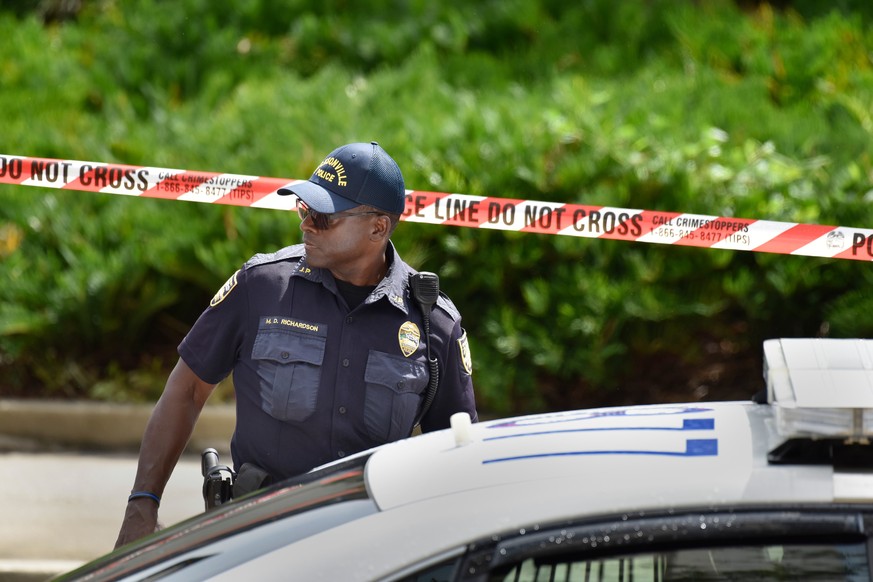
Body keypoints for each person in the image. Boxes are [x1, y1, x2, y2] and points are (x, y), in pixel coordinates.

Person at [114, 142, 478, 547]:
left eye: (323, 216)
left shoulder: (433, 325)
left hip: (369, 548)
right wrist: (142, 506)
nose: (306, 224)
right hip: (257, 541)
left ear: (378, 227)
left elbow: (454, 453)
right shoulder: (263, 286)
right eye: (305, 210)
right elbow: (186, 390)